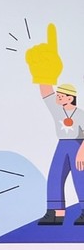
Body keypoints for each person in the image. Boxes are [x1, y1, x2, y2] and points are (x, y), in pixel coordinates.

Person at [34, 84, 84, 226]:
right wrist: (44, 75)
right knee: (55, 176)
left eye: (61, 96)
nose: (58, 98)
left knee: (80, 178)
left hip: (78, 145)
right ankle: (55, 212)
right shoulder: (58, 111)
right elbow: (46, 91)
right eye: (58, 95)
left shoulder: (80, 114)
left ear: (70, 98)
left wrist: (82, 152)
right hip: (62, 145)